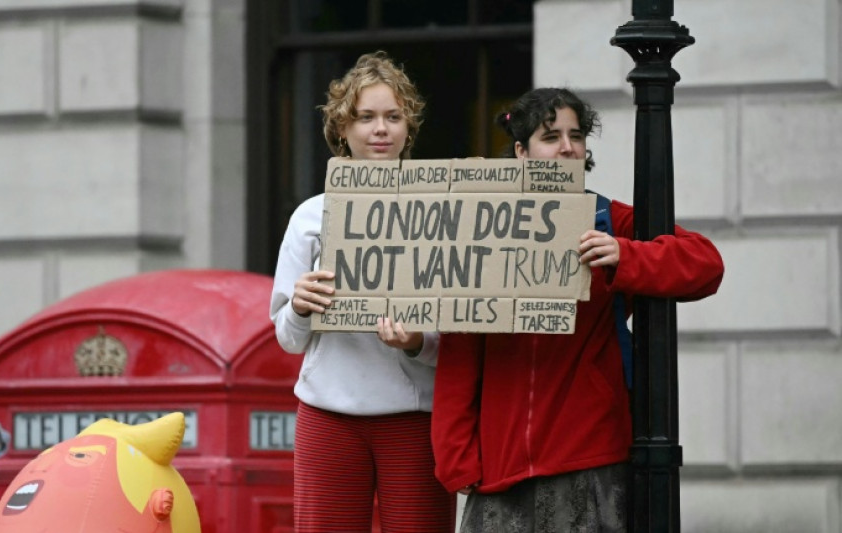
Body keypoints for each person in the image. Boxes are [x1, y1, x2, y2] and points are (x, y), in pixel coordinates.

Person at [430, 87, 725, 532]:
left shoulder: (608, 218)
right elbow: (460, 348)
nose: (567, 146)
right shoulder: (482, 226)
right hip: (500, 472)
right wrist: (457, 459)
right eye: (551, 136)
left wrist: (626, 256)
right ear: (521, 152)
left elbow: (706, 264)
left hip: (590, 462)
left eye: (576, 135)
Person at [269, 51, 454, 533]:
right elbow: (287, 338)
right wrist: (302, 308)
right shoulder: (310, 216)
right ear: (341, 129)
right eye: (366, 117)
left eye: (393, 117)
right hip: (329, 416)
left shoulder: (441, 210)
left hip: (414, 418)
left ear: (408, 128)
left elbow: (460, 329)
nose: (380, 129)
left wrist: (417, 341)